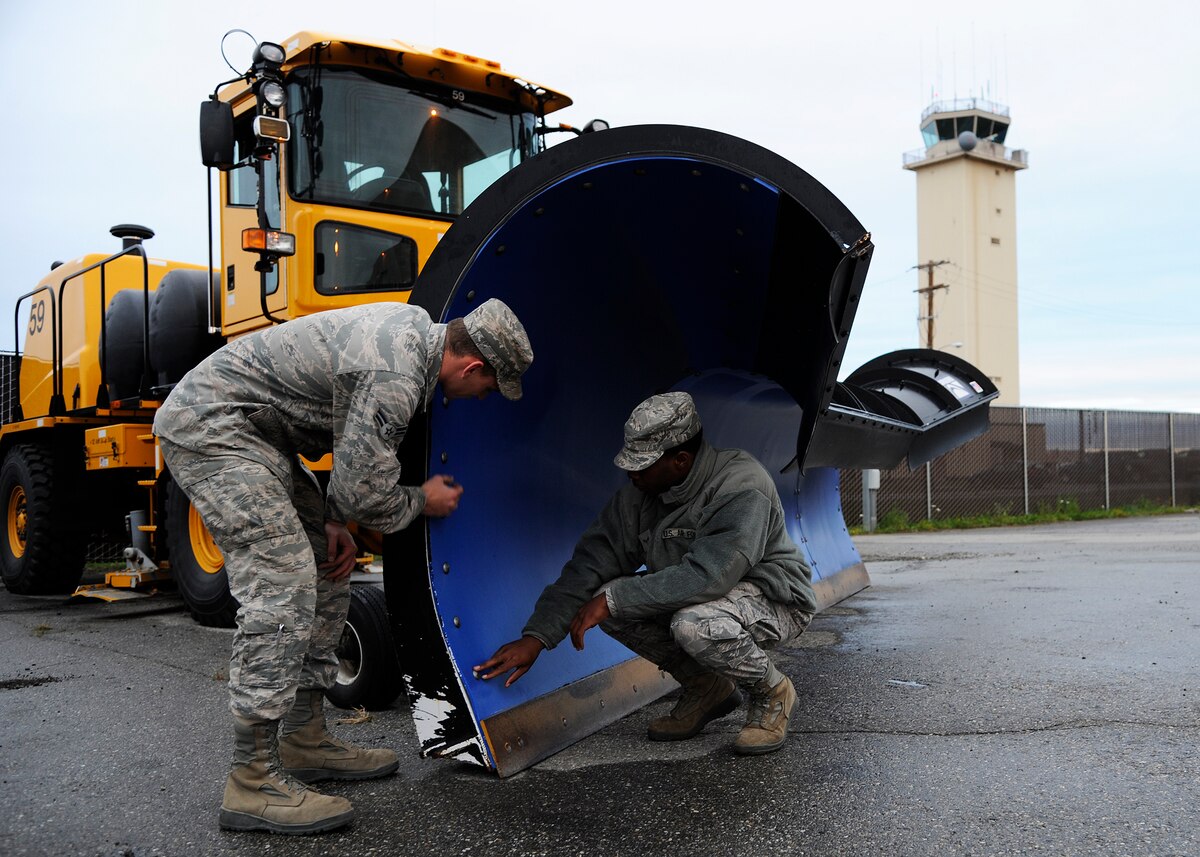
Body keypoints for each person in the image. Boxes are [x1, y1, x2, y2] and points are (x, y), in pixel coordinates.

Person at [154, 298, 532, 835]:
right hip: (214, 425)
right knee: (281, 576)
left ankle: (304, 738)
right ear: (472, 367)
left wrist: (335, 520)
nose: (482, 397)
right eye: (489, 387)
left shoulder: (414, 340)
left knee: (327, 561)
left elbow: (350, 472)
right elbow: (362, 492)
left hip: (261, 434)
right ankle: (252, 781)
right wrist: (422, 500)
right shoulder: (396, 372)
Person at [475, 391, 817, 756]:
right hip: (709, 601)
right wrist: (537, 637)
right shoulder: (638, 498)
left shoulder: (740, 485)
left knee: (688, 621)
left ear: (681, 460)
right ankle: (706, 687)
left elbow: (710, 576)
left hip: (775, 599)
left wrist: (613, 601)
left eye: (642, 465)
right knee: (606, 596)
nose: (630, 473)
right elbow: (588, 566)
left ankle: (772, 691)